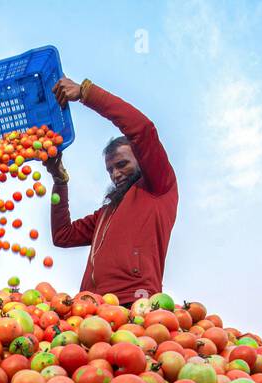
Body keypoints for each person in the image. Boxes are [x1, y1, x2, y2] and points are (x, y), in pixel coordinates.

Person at [44, 77, 178, 305]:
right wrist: (60, 180)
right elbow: (62, 236)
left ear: (142, 160)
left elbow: (143, 130)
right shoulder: (105, 214)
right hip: (90, 308)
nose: (115, 174)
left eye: (122, 164)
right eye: (110, 170)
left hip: (134, 302)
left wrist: (86, 93)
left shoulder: (157, 186)